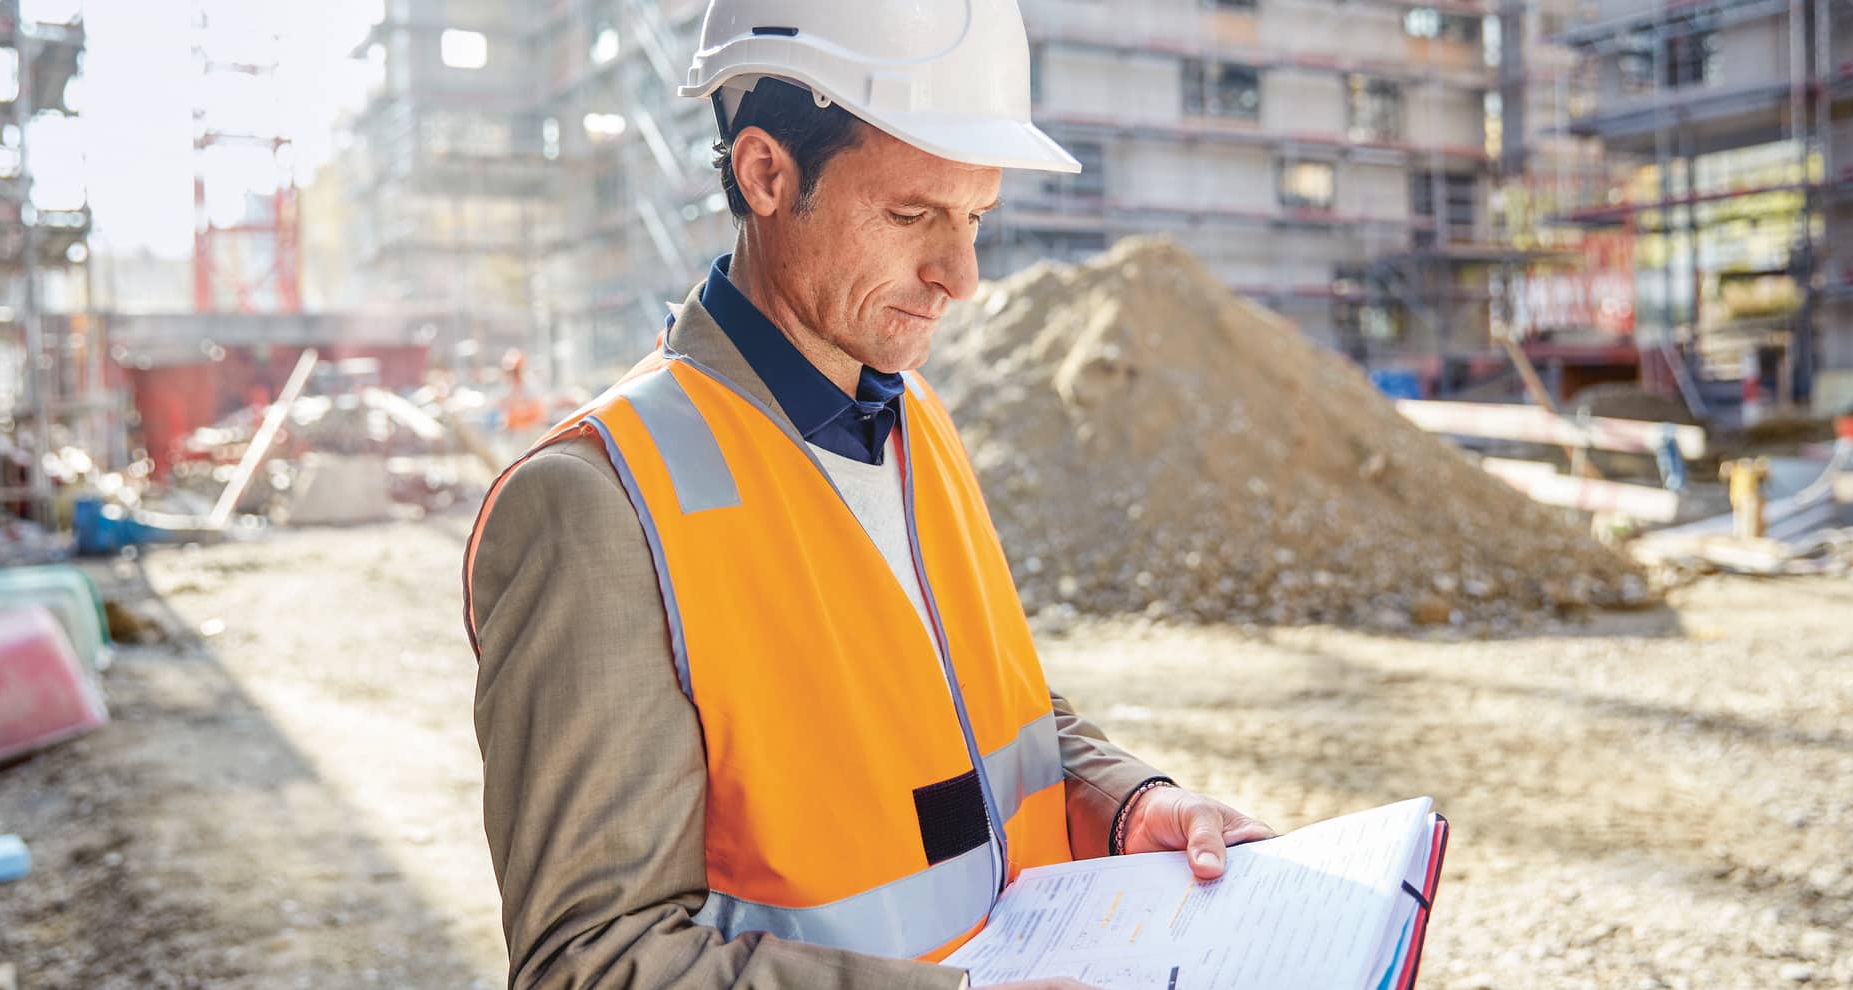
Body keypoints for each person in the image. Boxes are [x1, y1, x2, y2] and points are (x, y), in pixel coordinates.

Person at [462, 1, 1274, 986]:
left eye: (974, 218)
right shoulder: (599, 504)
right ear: (766, 173)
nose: (960, 276)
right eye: (910, 216)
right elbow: (593, 965)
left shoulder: (913, 416)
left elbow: (977, 716)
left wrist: (1124, 799)